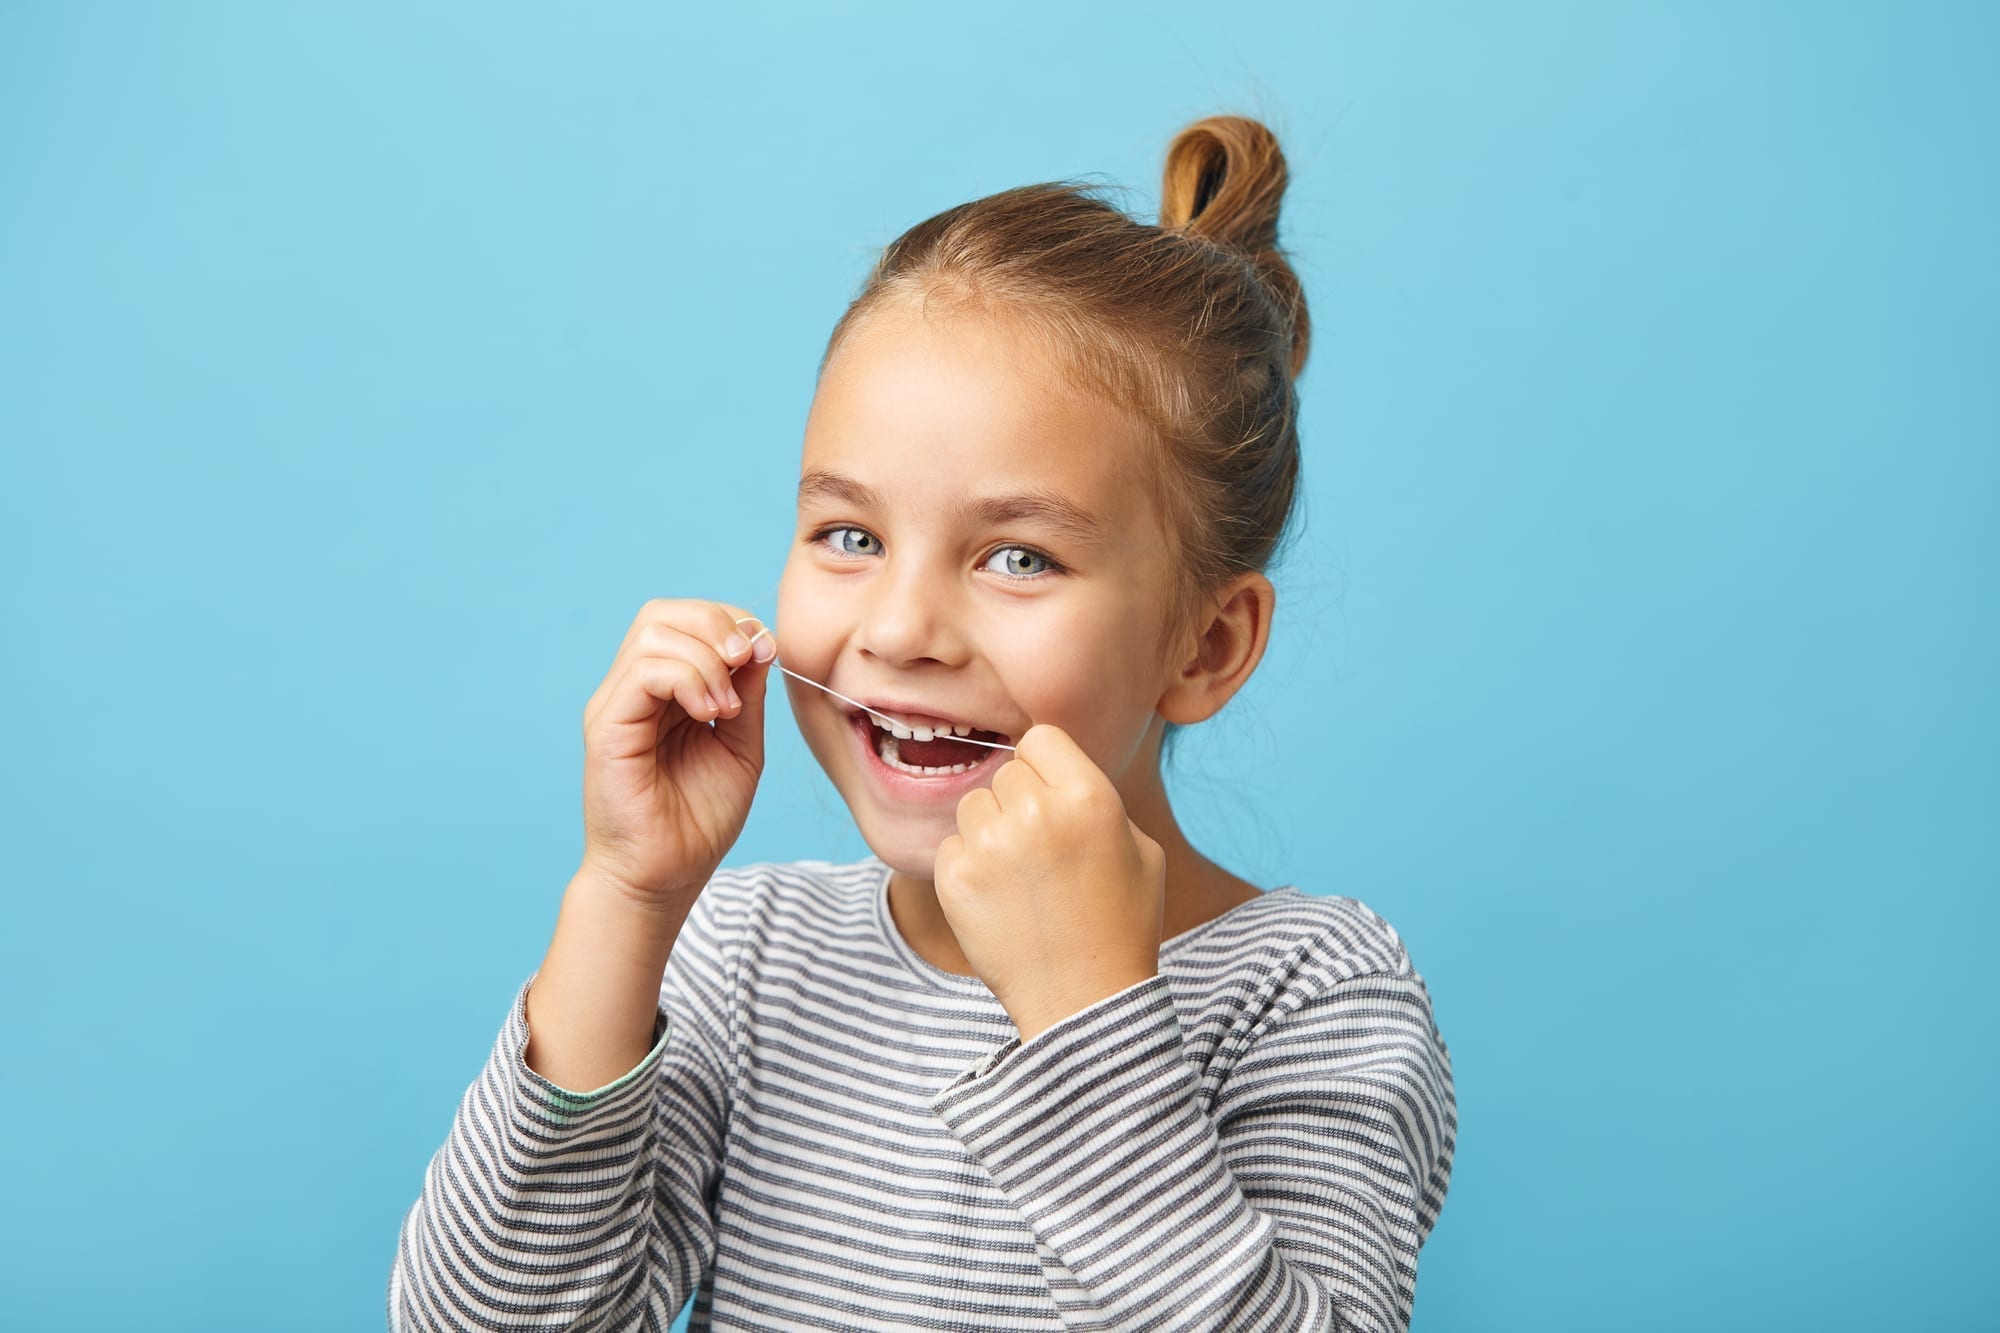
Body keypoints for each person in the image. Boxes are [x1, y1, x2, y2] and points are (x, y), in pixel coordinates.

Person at [388, 113, 1456, 1332]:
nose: (899, 630)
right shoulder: (748, 955)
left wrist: (1085, 1015)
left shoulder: (1308, 995)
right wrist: (626, 899)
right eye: (850, 536)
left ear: (1204, 646)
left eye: (1016, 556)